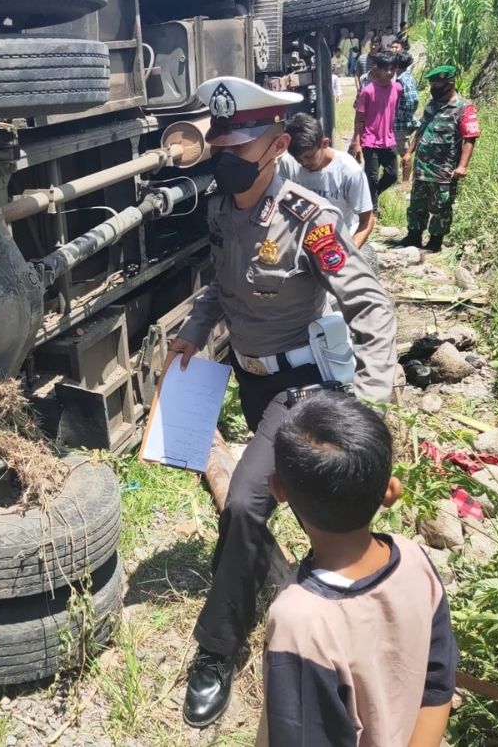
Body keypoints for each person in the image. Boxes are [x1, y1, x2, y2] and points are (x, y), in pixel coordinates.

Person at [171, 76, 397, 729]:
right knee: (279, 493)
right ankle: (300, 577)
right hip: (250, 379)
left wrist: (371, 409)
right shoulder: (222, 211)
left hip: (302, 385)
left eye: (236, 145)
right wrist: (192, 332)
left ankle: (214, 651)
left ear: (274, 146)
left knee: (245, 503)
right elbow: (221, 284)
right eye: (217, 142)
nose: (222, 155)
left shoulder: (308, 217)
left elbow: (371, 306)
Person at [257, 392, 458, 746]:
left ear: (277, 490)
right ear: (391, 491)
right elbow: (437, 683)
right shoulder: (414, 560)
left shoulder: (299, 623)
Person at [399, 65, 481, 252]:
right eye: (432, 84)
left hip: (444, 167)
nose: (433, 87)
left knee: (441, 206)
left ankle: (435, 241)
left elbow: (470, 138)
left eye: (437, 84)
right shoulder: (431, 104)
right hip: (422, 166)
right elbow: (421, 129)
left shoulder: (463, 108)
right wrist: (409, 152)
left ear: (449, 83)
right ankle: (413, 236)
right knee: (417, 203)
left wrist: (463, 166)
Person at [280, 113, 374, 249]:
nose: (303, 163)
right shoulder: (288, 163)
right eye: (298, 158)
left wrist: (350, 252)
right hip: (302, 242)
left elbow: (367, 221)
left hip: (340, 242)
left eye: (309, 156)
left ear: (324, 143)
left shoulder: (349, 171)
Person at [350, 51, 401, 211]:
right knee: (371, 176)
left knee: (392, 175)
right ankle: (372, 208)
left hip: (388, 140)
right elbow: (359, 118)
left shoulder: (398, 89)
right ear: (376, 69)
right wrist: (357, 142)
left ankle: (372, 194)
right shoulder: (368, 91)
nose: (389, 73)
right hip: (370, 140)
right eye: (385, 69)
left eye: (392, 69)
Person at [393, 50, 419, 162]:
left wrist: (405, 116)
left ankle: (405, 179)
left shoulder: (404, 79)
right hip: (398, 121)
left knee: (404, 153)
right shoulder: (402, 78)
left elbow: (413, 100)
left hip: (401, 122)